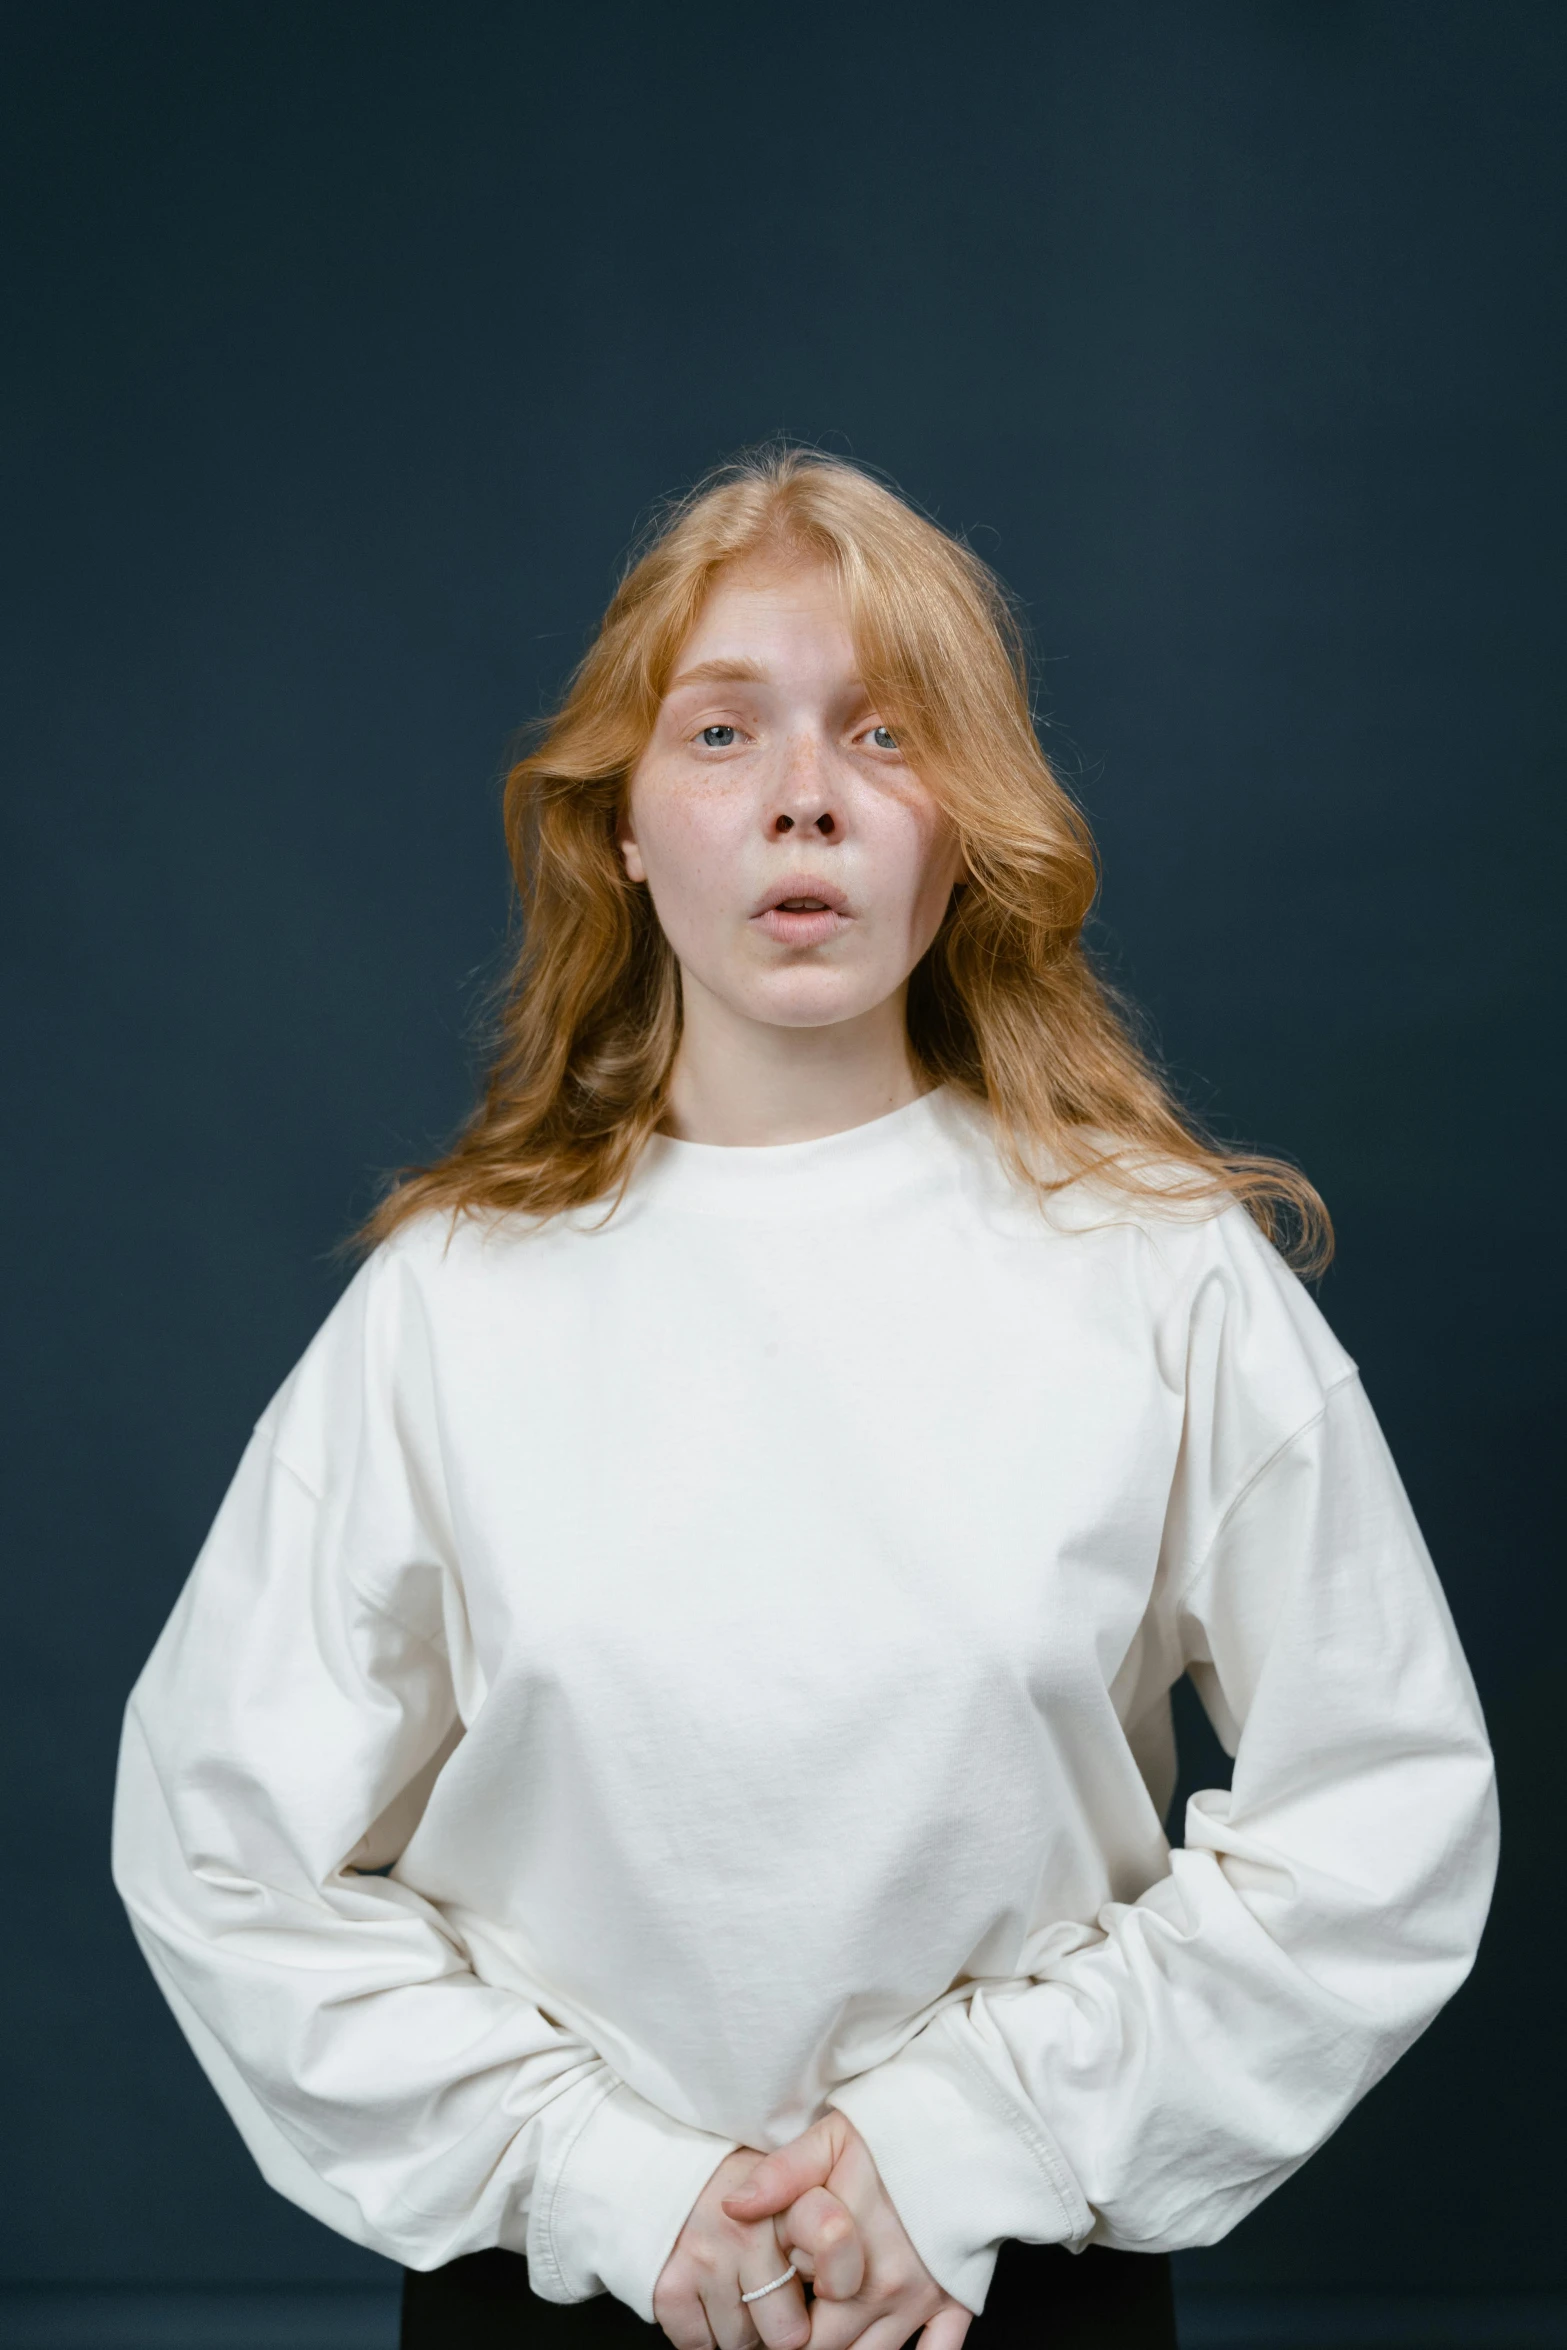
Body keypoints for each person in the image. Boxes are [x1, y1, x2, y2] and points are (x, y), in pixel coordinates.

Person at [111, 446, 1499, 2350]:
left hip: (1014, 2296)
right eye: (720, 731)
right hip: (559, 2306)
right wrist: (614, 2186)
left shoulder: (1160, 1272)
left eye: (885, 734)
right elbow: (218, 1843)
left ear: (962, 824)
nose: (802, 801)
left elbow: (1387, 1809)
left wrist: (964, 2145)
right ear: (617, 823)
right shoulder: (450, 1303)